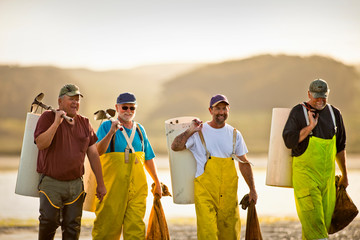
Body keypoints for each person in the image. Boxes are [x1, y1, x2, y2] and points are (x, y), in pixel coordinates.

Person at [171, 94, 258, 240]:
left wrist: (252, 190)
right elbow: (175, 146)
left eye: (224, 108)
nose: (221, 112)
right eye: (217, 108)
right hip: (205, 194)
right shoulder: (199, 132)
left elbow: (244, 163)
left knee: (231, 235)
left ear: (228, 109)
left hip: (229, 196)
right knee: (208, 234)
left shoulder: (235, 134)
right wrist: (190, 130)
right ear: (210, 110)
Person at [34, 84, 107, 240]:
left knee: (73, 227)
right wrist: (56, 123)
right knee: (48, 223)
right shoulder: (47, 117)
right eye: (71, 99)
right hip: (51, 183)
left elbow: (93, 155)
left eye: (77, 99)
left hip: (75, 185)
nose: (75, 103)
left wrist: (100, 184)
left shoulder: (85, 123)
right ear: (60, 102)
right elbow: (41, 144)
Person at [283, 79, 349, 240]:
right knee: (316, 228)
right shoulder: (298, 112)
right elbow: (289, 141)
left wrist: (345, 175)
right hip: (306, 179)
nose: (320, 100)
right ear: (308, 94)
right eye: (316, 96)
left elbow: (340, 147)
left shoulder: (335, 114)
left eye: (323, 97)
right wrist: (310, 127)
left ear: (328, 94)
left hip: (327, 182)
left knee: (318, 228)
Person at [92, 92, 162, 240]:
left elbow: (148, 158)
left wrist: (156, 181)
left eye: (132, 108)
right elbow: (97, 151)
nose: (128, 111)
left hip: (137, 190)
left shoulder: (140, 130)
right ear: (117, 107)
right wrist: (111, 132)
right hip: (111, 190)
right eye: (125, 107)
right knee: (106, 230)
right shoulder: (106, 126)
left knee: (136, 230)